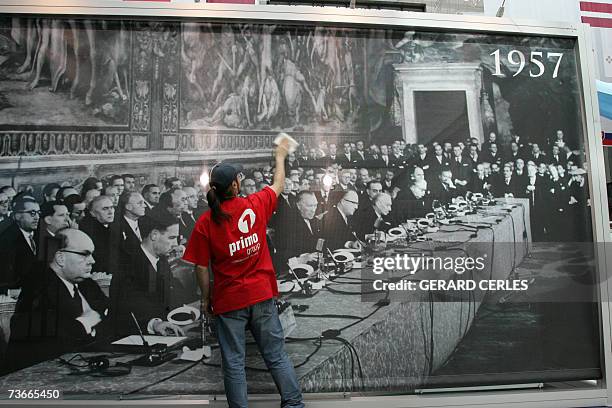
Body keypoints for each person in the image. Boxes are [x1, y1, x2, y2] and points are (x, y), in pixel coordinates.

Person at [183, 136, 304, 408]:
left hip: (229, 301)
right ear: (236, 185)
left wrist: (205, 300)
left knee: (234, 364)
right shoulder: (255, 204)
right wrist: (280, 157)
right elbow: (279, 184)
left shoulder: (205, 222)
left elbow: (201, 267)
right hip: (262, 295)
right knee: (276, 356)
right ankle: (294, 404)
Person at [6, 229, 109, 372]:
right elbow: (48, 341)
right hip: (36, 377)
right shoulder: (37, 287)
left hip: (81, 366)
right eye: (85, 254)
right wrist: (86, 322)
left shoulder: (87, 284)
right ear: (60, 258)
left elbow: (107, 317)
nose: (92, 261)